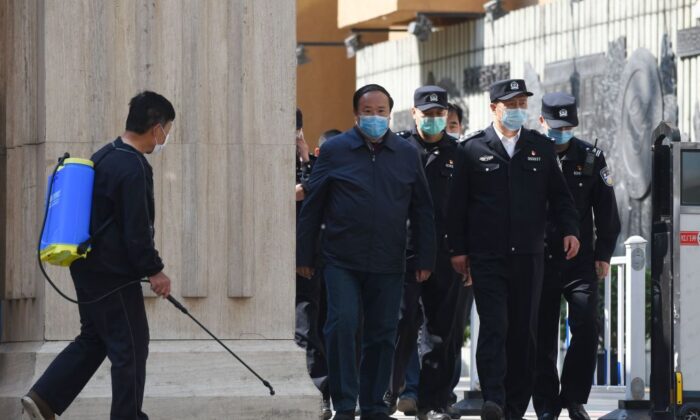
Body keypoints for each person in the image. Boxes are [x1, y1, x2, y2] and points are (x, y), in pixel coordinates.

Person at [21, 91, 175, 420]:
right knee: (132, 347)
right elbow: (137, 231)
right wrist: (155, 270)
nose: (166, 139)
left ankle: (44, 397)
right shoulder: (134, 167)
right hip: (113, 276)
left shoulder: (105, 155)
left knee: (95, 337)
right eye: (168, 130)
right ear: (157, 128)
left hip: (86, 266)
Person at [297, 84, 436, 420]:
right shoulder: (336, 151)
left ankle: (374, 404)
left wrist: (425, 257)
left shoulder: (406, 153)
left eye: (381, 112)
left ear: (390, 113)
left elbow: (422, 210)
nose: (375, 117)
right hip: (341, 259)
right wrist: (304, 255)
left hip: (389, 261)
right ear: (356, 114)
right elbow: (313, 207)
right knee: (341, 325)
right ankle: (345, 403)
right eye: (368, 112)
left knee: (383, 332)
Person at [448, 79, 580, 420]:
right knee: (495, 325)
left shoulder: (540, 148)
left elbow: (561, 198)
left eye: (523, 103)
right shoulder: (471, 149)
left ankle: (514, 406)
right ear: (494, 108)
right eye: (512, 104)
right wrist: (458, 251)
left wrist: (570, 230)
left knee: (524, 331)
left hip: (529, 256)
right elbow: (456, 207)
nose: (519, 110)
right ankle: (493, 396)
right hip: (487, 256)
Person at [533, 93, 620, 420]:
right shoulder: (530, 154)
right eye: (556, 126)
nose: (562, 132)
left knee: (586, 326)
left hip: (579, 260)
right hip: (538, 258)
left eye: (568, 126)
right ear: (542, 122)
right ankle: (545, 403)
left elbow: (606, 209)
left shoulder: (591, 156)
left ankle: (573, 397)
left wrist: (604, 253)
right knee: (540, 333)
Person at [386, 86, 466, 420]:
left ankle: (433, 402)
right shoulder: (399, 150)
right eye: (427, 113)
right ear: (414, 113)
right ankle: (390, 393)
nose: (434, 119)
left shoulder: (460, 153)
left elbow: (467, 208)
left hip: (446, 256)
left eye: (439, 113)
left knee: (439, 332)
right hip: (405, 252)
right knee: (400, 325)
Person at [294, 127, 342, 420]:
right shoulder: (309, 170)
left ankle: (335, 393)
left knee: (332, 326)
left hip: (337, 262)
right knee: (307, 327)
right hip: (308, 261)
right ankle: (319, 393)